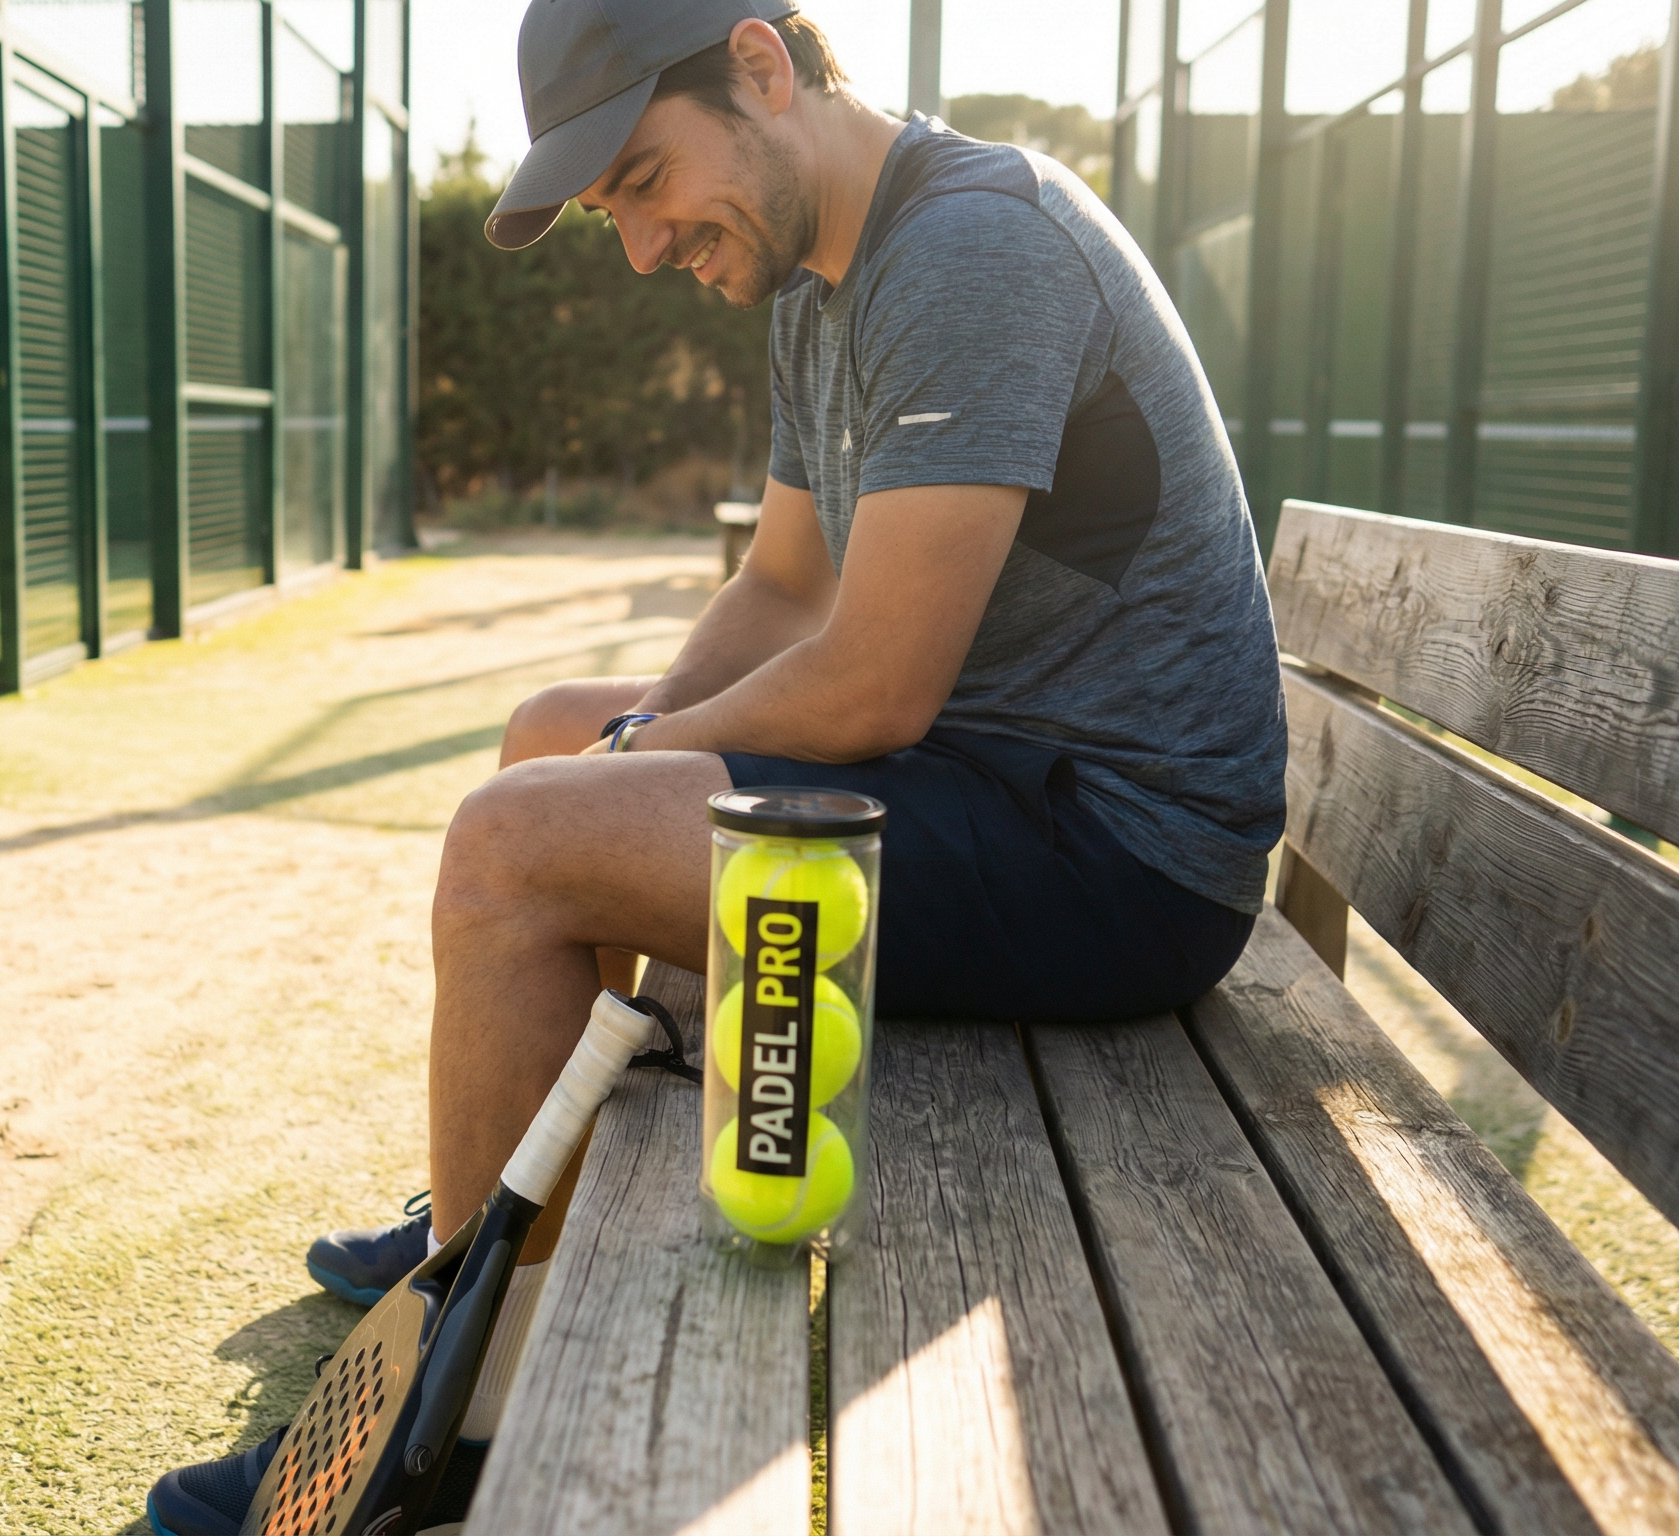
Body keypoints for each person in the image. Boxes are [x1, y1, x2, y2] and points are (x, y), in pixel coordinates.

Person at [145, 1, 1284, 1529]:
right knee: (551, 735)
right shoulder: (828, 276)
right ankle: (502, 1202)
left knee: (512, 846)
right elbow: (782, 587)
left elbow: (874, 682)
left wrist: (618, 778)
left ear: (760, 67)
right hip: (1004, 772)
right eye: (617, 207)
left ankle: (456, 1427)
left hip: (1122, 851)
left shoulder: (972, 248)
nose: (640, 248)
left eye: (642, 183)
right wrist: (623, 745)